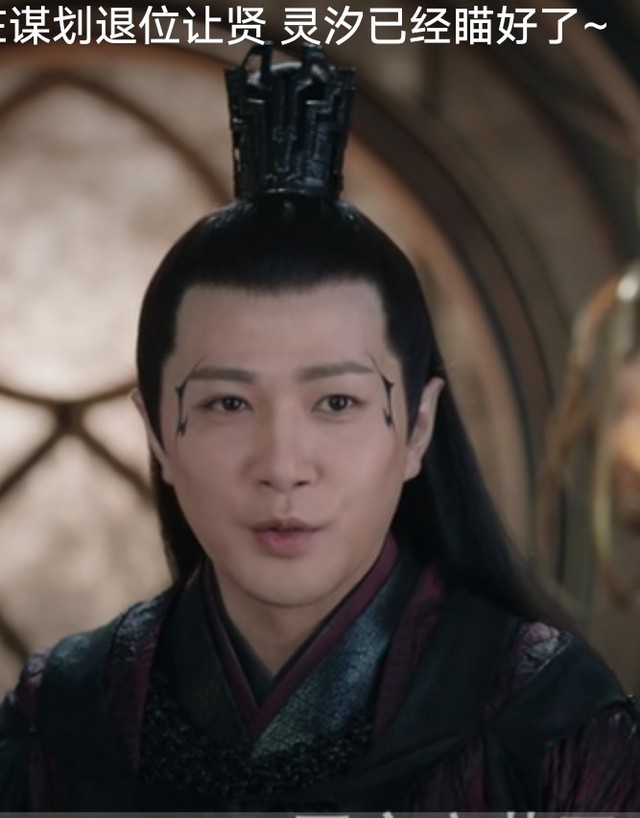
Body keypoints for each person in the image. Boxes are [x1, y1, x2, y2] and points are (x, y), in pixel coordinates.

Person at [1, 44, 639, 812]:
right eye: (227, 404)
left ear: (417, 426)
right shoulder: (62, 718)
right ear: (159, 435)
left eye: (336, 403)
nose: (283, 465)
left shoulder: (549, 723)